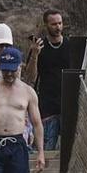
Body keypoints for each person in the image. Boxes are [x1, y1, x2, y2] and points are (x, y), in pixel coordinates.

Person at [26, 9, 67, 153]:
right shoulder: (39, 46)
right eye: (54, 24)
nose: (58, 27)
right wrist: (35, 55)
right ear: (46, 25)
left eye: (60, 23)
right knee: (46, 149)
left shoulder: (69, 45)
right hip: (48, 107)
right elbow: (30, 77)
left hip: (68, 106)